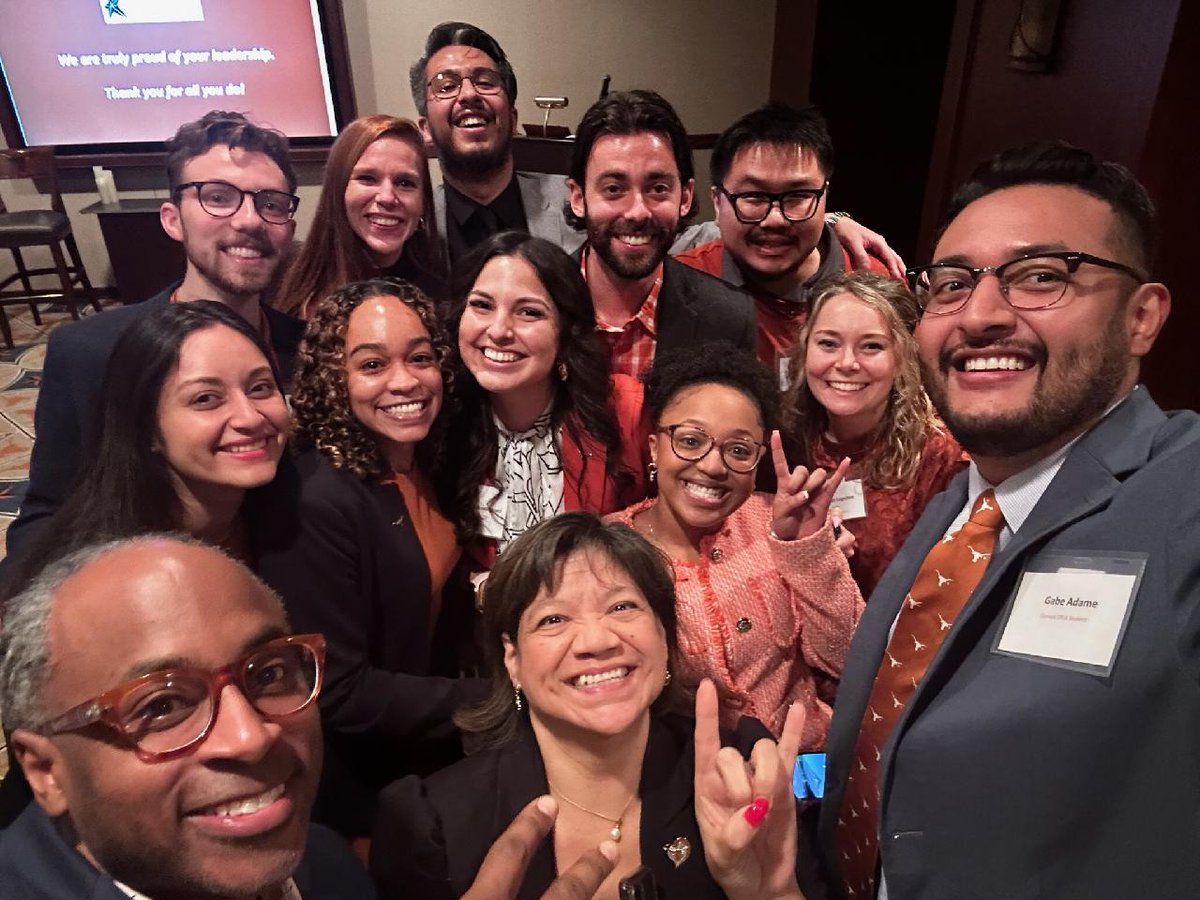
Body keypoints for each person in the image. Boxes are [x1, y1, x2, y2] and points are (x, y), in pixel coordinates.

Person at [819, 142, 1196, 900]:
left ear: (1142, 317)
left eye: (1042, 277)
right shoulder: (959, 505)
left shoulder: (1184, 495)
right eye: (953, 284)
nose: (983, 315)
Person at [371, 513, 816, 900]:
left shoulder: (741, 772)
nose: (597, 641)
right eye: (554, 619)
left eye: (622, 607)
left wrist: (768, 893)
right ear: (513, 660)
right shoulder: (430, 825)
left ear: (664, 636)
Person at [0, 536, 376, 899]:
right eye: (161, 706)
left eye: (268, 674)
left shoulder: (326, 861)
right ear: (45, 771)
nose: (251, 737)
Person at [7, 110, 305, 557]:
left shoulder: (306, 349)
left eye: (271, 203)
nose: (249, 220)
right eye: (218, 197)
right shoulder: (92, 352)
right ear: (172, 219)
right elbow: (48, 515)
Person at [250, 278, 484, 838]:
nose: (405, 381)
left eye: (421, 358)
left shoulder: (420, 458)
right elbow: (338, 693)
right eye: (372, 365)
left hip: (426, 746)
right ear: (335, 381)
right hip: (362, 787)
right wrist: (496, 699)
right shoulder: (314, 502)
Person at [410, 21, 903, 279]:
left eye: (485, 81)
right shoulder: (408, 224)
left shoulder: (573, 199)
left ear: (513, 116)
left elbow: (698, 232)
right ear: (424, 128)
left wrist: (826, 220)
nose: (469, 95)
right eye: (446, 86)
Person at [608, 346, 862, 745]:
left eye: (738, 450)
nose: (713, 465)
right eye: (690, 441)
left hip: (808, 771)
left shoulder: (777, 523)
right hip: (686, 786)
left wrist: (808, 548)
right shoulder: (607, 552)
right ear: (655, 448)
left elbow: (848, 658)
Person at [1, 300, 290, 590]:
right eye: (205, 398)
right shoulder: (101, 580)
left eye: (260, 387)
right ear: (145, 427)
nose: (249, 417)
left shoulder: (294, 516)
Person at [442, 232, 646, 564]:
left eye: (529, 313)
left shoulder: (625, 411)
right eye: (481, 305)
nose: (498, 331)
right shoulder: (442, 423)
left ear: (567, 331)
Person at [782, 272, 966, 598]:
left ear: (902, 357)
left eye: (871, 346)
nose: (847, 363)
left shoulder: (942, 456)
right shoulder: (786, 437)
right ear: (804, 347)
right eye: (828, 343)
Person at [675, 104, 900, 370]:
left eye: (797, 196)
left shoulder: (875, 282)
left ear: (824, 196)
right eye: (753, 196)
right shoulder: (682, 284)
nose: (775, 220)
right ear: (717, 201)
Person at [565, 90, 758, 378]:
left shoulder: (727, 319)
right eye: (614, 189)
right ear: (578, 198)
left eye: (658, 189)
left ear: (685, 197)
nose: (637, 212)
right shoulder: (536, 302)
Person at [274, 115, 448, 319]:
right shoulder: (300, 311)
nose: (387, 198)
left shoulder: (443, 294)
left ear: (423, 201)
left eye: (405, 183)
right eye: (367, 179)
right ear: (338, 191)